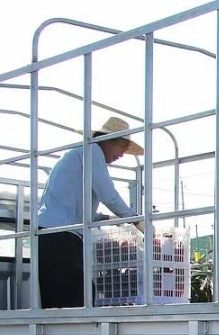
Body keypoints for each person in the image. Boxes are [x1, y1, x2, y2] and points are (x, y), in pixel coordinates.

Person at [36, 117, 143, 308]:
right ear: (108, 141)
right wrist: (135, 219)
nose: (122, 154)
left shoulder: (79, 154)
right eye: (122, 147)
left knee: (60, 296)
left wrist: (106, 218)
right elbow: (108, 194)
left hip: (52, 232)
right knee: (77, 296)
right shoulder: (92, 152)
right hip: (61, 234)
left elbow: (76, 205)